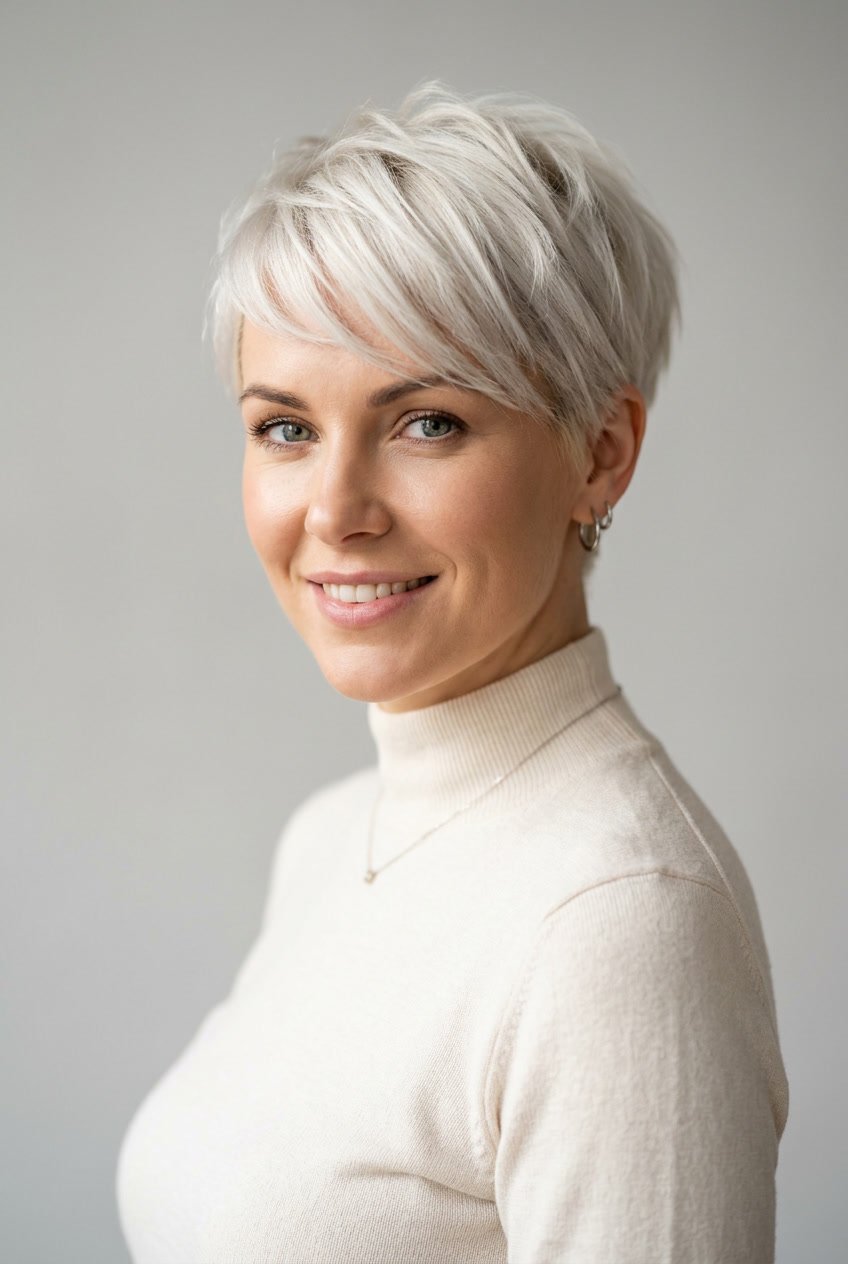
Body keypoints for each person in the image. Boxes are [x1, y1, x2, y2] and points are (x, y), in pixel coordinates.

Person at [116, 81, 789, 1262]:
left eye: (424, 420)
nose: (333, 510)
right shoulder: (330, 837)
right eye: (285, 427)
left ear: (600, 451)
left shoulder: (619, 921)